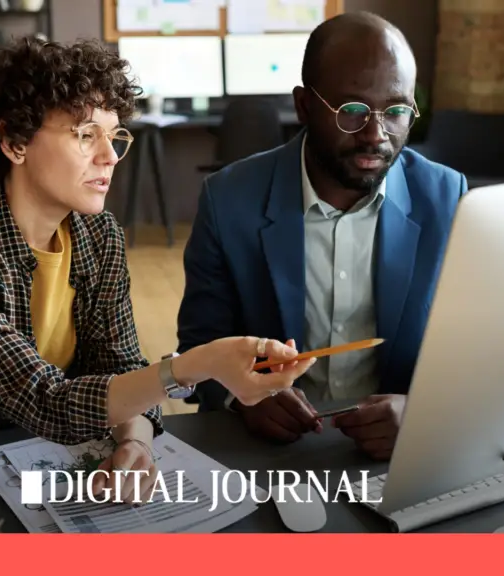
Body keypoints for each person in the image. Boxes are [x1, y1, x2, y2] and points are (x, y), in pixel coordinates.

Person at [0, 36, 316, 501]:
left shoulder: (98, 236)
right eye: (85, 134)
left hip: (53, 462)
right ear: (15, 142)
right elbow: (44, 399)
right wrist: (201, 363)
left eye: (114, 136)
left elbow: (120, 365)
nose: (110, 156)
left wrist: (134, 439)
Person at [176, 13, 468, 460]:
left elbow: (477, 350)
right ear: (305, 107)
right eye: (351, 111)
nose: (376, 135)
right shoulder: (229, 200)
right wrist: (242, 397)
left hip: (399, 453)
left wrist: (426, 413)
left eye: (396, 112)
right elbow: (200, 346)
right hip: (272, 452)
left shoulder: (448, 199)